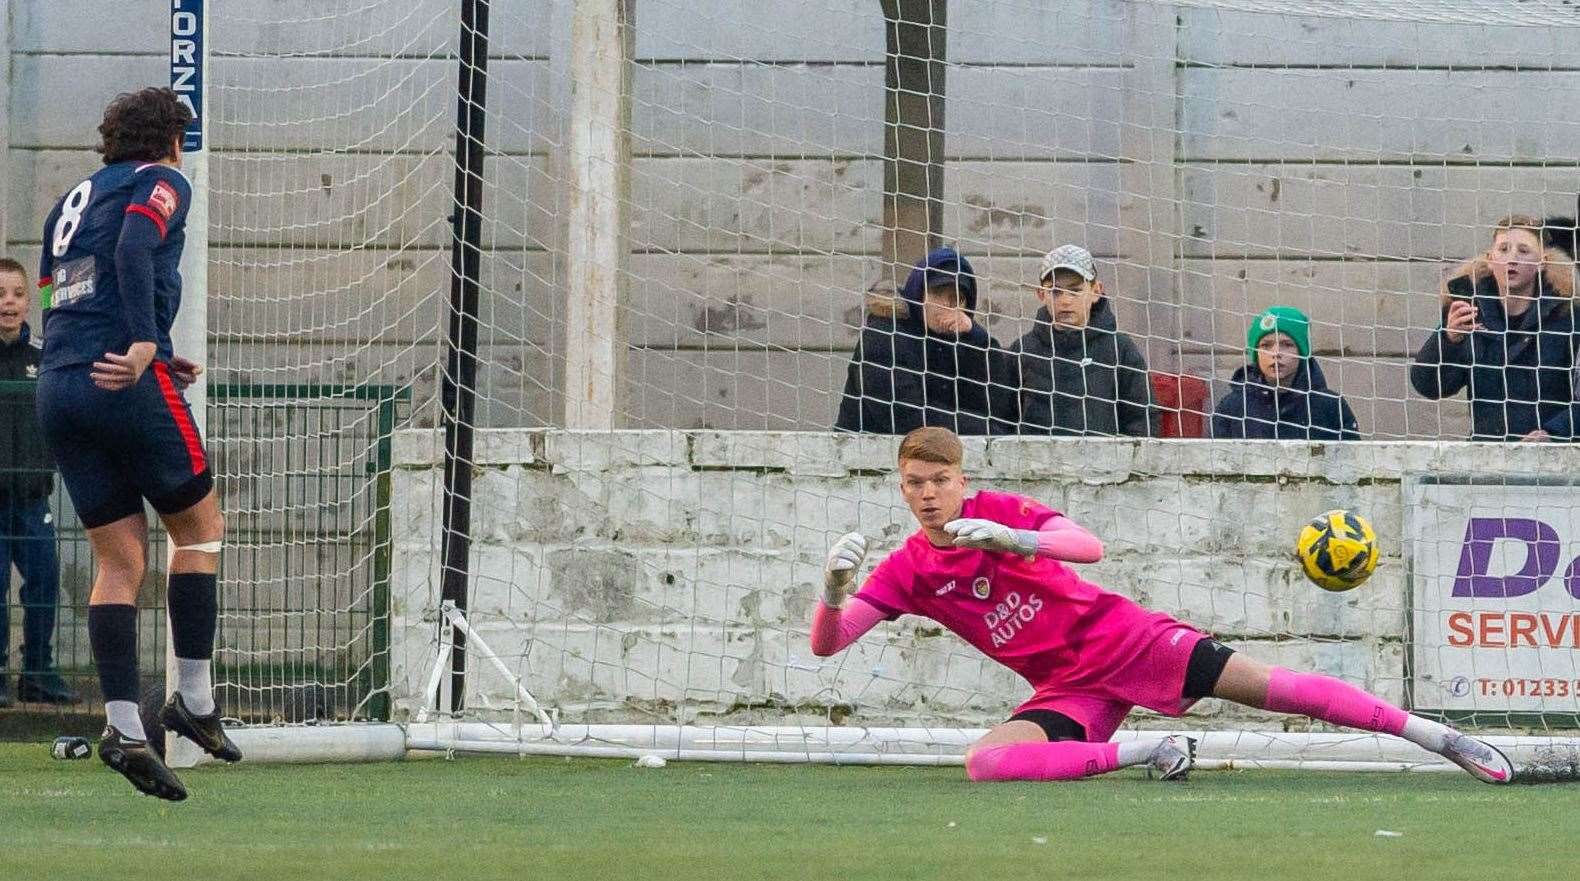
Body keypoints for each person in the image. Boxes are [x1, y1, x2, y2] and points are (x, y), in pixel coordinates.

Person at [811, 426, 1515, 784]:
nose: (929, 493)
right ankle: (1148, 749)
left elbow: (1088, 547)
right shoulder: (908, 569)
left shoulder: (997, 512)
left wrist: (1016, 537)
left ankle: (1434, 735)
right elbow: (829, 644)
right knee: (986, 763)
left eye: (940, 479)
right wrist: (833, 591)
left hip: (1126, 638)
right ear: (903, 488)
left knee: (1273, 690)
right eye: (915, 483)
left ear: (963, 479)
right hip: (1068, 687)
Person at [34, 87, 238, 801]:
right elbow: (134, 245)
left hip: (60, 384)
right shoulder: (164, 180)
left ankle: (122, 725)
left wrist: (152, 345)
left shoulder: (70, 201)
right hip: (123, 381)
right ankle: (194, 700)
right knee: (202, 529)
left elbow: (58, 293)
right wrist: (146, 342)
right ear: (173, 139)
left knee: (119, 560)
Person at [1410, 215, 1579, 441]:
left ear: (1542, 263)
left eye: (1524, 250)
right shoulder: (1468, 309)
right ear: (1490, 259)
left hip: (1554, 458)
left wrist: (1554, 433)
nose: (1512, 259)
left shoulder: (1569, 317)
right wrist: (1448, 340)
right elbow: (1429, 386)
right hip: (1487, 459)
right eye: (1504, 249)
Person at [835, 247, 1015, 435]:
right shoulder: (883, 336)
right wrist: (986, 431)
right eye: (938, 294)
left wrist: (976, 339)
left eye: (957, 298)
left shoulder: (966, 342)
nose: (947, 306)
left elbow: (997, 408)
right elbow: (905, 416)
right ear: (919, 293)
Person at [1007, 244, 1155, 436]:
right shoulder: (1022, 351)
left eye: (1075, 290)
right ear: (1041, 294)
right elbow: (1003, 418)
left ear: (1096, 291)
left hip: (1103, 464)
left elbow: (1142, 420)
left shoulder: (1120, 350)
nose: (1065, 300)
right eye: (1055, 291)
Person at [1211, 305, 1360, 440]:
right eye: (1266, 345)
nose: (1276, 353)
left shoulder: (1329, 405)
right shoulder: (1232, 406)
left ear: (1303, 352)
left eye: (1287, 345)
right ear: (1255, 352)